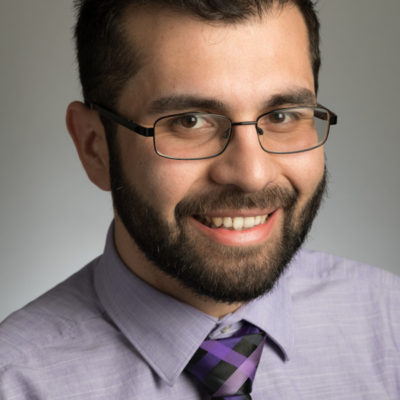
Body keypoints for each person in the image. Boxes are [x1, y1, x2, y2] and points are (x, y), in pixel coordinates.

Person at [0, 0, 399, 398]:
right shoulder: (16, 382)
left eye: (282, 116)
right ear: (95, 147)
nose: (251, 175)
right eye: (189, 121)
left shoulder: (390, 326)